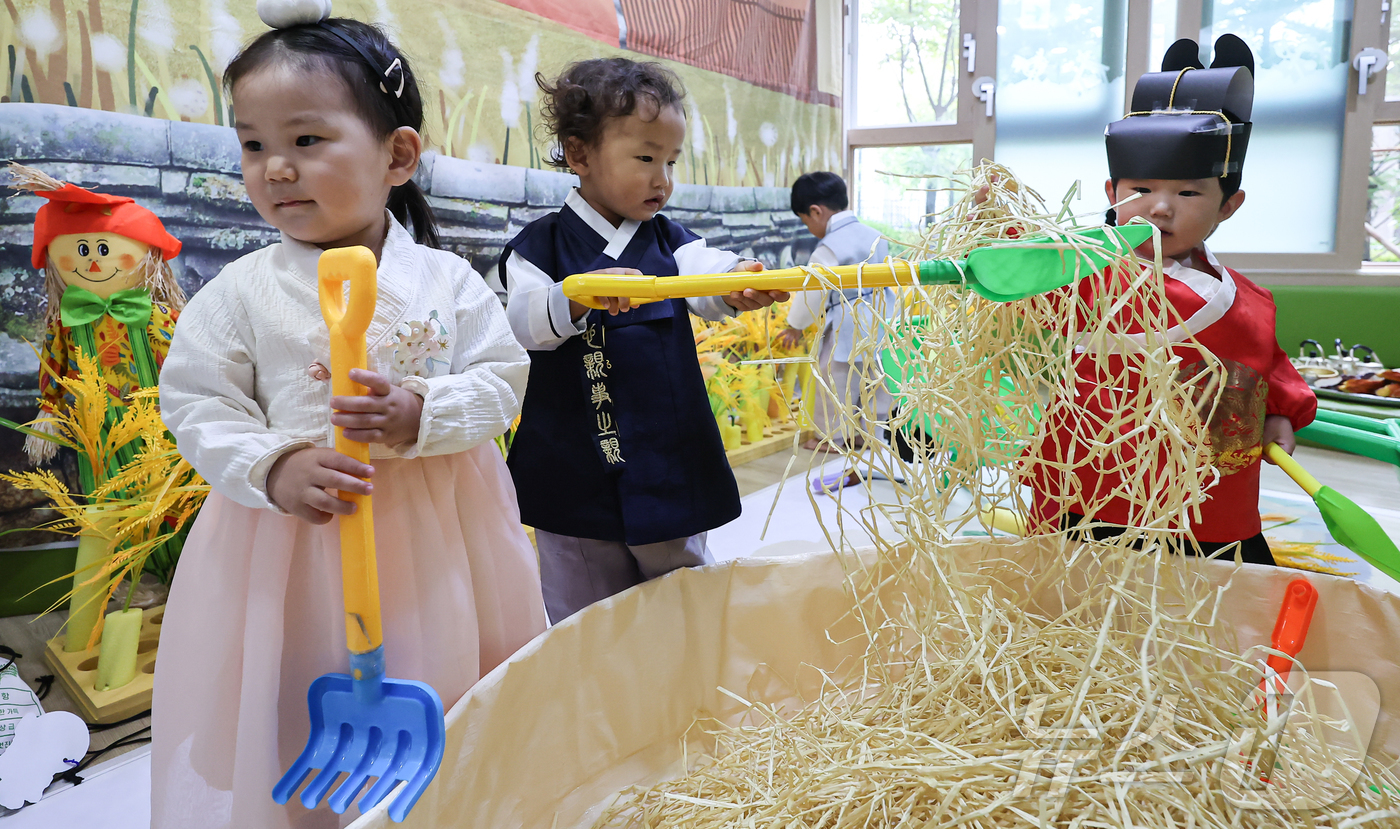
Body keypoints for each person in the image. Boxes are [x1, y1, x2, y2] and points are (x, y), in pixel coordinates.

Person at [152, 7, 546, 826]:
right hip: (291, 544)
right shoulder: (239, 294)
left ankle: (442, 801)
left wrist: (424, 410)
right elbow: (195, 400)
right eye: (253, 145)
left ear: (397, 153)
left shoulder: (446, 280)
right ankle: (313, 804)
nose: (275, 169)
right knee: (298, 689)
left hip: (441, 532)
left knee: (441, 675)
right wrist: (274, 462)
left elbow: (503, 376)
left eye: (305, 140)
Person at [501, 57, 788, 623]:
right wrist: (576, 295)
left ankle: (685, 692)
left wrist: (736, 282)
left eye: (671, 161)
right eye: (645, 158)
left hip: (666, 454)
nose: (663, 179)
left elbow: (705, 274)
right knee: (583, 604)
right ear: (580, 154)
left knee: (682, 596)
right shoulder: (538, 249)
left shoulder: (672, 242)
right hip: (573, 457)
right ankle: (599, 701)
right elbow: (522, 324)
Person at [1023, 34, 1316, 565]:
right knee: (1077, 588)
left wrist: (1280, 412)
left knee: (1212, 599)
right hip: (1091, 475)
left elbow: (1266, 363)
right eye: (1140, 190)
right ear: (1112, 194)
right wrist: (995, 226)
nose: (1159, 209)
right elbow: (1019, 291)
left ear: (1229, 205)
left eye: (1187, 193)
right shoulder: (1083, 276)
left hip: (1206, 488)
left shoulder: (1249, 297)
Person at [777, 171, 895, 452]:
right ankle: (872, 436)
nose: (808, 228)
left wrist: (795, 324)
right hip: (881, 317)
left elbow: (813, 293)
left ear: (816, 212)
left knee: (835, 379)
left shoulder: (829, 248)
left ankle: (833, 437)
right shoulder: (874, 234)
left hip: (848, 322)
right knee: (876, 379)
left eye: (805, 221)